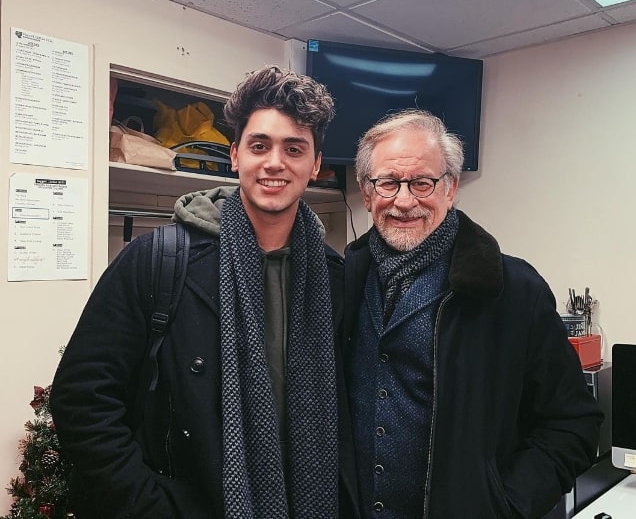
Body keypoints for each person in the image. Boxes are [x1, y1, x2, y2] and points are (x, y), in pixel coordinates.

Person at [51, 65, 358, 518]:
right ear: (235, 155)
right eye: (260, 145)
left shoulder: (334, 278)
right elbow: (81, 399)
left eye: (294, 148)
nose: (275, 162)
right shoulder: (157, 260)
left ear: (314, 165)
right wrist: (149, 505)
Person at [343, 109, 603, 518]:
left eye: (422, 182)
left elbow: (573, 425)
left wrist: (505, 505)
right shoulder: (344, 280)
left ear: (450, 187)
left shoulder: (515, 290)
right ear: (366, 189)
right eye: (389, 183)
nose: (405, 200)